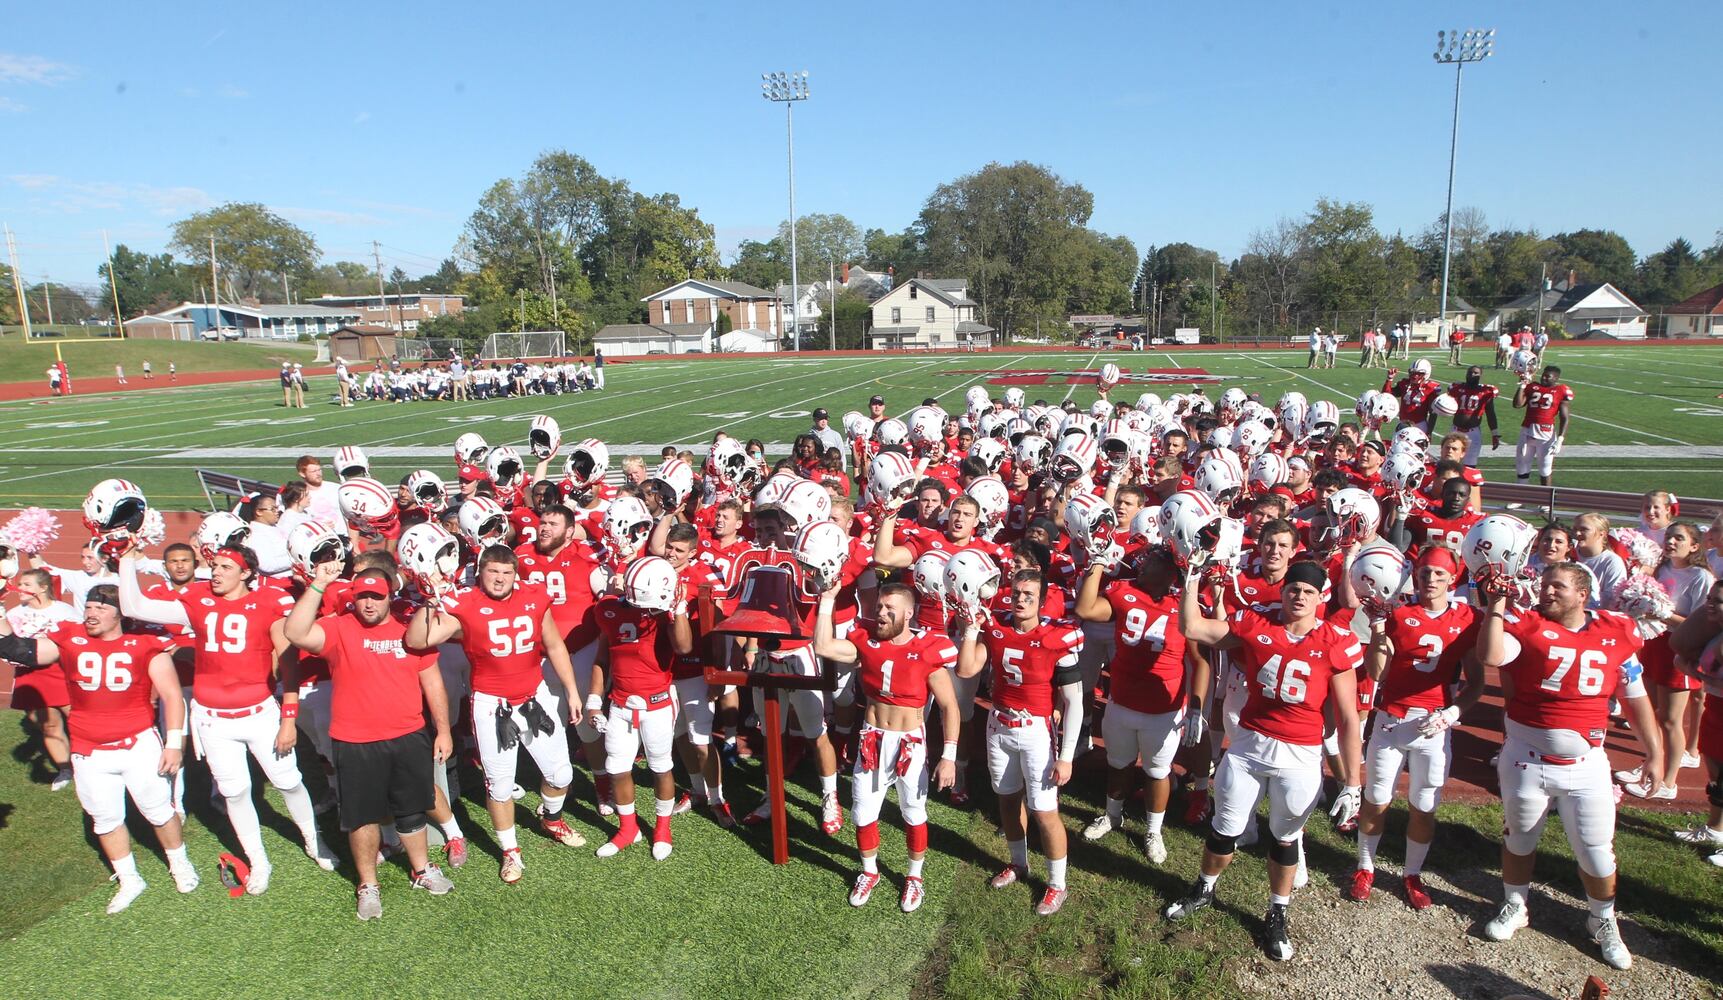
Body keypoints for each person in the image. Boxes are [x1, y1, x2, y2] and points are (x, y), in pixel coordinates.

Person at [1165, 559, 1363, 962]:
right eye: (1294, 589)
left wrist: (1353, 782)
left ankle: (1278, 911)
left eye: (1309, 591)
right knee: (1225, 828)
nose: (1300, 596)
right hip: (1249, 744)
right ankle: (1204, 888)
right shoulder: (1257, 624)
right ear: (1284, 590)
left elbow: (1347, 717)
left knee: (1285, 838)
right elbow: (1193, 628)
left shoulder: (1335, 641)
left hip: (1300, 752)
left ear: (1320, 597)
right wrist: (1191, 579)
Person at [1475, 562, 1662, 970]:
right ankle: (1515, 904)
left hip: (1587, 764)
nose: (1547, 592)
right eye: (1545, 586)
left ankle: (1602, 919)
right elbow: (1490, 654)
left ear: (1583, 594)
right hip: (1526, 759)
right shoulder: (1527, 624)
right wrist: (1494, 607)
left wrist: (1656, 751)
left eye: (1557, 587)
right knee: (1519, 839)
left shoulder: (1616, 632)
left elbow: (1636, 698)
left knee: (1596, 853)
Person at [118, 546, 337, 893]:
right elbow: (134, 606)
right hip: (213, 718)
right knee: (235, 792)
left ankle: (314, 840)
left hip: (259, 712)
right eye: (213, 566)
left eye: (224, 567)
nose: (215, 573)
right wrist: (127, 559)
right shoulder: (197, 597)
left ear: (247, 573)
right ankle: (258, 860)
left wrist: (289, 719)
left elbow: (290, 663)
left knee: (288, 781)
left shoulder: (269, 601)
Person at [0, 585, 199, 913]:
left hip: (137, 744)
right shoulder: (70, 637)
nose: (91, 614)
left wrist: (175, 744)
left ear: (120, 613)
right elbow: (21, 651)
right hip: (88, 749)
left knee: (159, 811)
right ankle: (129, 878)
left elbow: (172, 697)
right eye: (89, 607)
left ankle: (179, 863)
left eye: (100, 609)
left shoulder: (146, 645)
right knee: (105, 818)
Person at [406, 545, 587, 884]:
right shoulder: (464, 603)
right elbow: (417, 640)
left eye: (506, 572)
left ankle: (551, 818)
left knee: (561, 774)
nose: (500, 578)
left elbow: (554, 644)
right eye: (493, 572)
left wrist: (572, 690)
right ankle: (510, 851)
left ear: (515, 574)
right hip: (493, 705)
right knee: (501, 786)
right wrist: (430, 603)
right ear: (481, 572)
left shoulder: (534, 595)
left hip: (536, 698)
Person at [284, 564, 455, 918]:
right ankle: (368, 884)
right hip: (356, 740)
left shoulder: (411, 631)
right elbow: (296, 632)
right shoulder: (339, 629)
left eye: (376, 596)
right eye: (362, 596)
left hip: (408, 735)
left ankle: (421, 869)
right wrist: (318, 585)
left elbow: (432, 682)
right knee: (361, 816)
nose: (369, 603)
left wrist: (443, 729)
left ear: (389, 596)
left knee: (411, 808)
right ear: (354, 597)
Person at [813, 581, 960, 913]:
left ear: (908, 613)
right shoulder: (865, 642)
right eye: (879, 606)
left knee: (913, 813)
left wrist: (948, 755)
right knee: (862, 813)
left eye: (889, 608)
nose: (880, 613)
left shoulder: (928, 648)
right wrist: (826, 601)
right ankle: (869, 871)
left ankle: (914, 876)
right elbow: (822, 645)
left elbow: (951, 706)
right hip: (872, 739)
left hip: (910, 743)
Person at [1349, 547, 1484, 908]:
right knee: (1376, 798)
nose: (1431, 580)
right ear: (1415, 575)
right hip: (1392, 720)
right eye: (1425, 572)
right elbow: (1377, 671)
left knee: (1424, 805)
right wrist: (1378, 629)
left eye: (1439, 574)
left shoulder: (1467, 618)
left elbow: (1478, 681)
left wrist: (1455, 712)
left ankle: (1411, 873)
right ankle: (1365, 867)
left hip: (1434, 725)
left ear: (1452, 578)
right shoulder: (1399, 611)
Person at [958, 569, 1085, 915]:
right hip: (999, 725)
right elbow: (966, 670)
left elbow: (1074, 700)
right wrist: (971, 629)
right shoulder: (995, 629)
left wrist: (1068, 756)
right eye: (1016, 593)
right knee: (1007, 799)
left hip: (1036, 732)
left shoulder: (1058, 636)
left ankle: (1057, 883)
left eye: (1029, 595)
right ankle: (1019, 863)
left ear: (1042, 601)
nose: (1021, 599)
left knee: (1045, 812)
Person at [1075, 546, 1202, 866]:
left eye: (1154, 564)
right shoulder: (1124, 591)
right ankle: (1112, 815)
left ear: (1171, 574)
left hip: (1163, 707)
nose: (1143, 566)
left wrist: (1197, 707)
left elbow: (1200, 663)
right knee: (1118, 763)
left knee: (1157, 771)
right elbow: (1086, 608)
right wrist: (1098, 564)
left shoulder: (1183, 607)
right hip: (1122, 699)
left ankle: (1153, 830)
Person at [4, 568, 82, 790]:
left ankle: (94, 763)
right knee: (48, 726)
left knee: (79, 721)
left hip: (62, 672)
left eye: (27, 584)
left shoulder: (64, 612)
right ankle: (65, 770)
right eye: (20, 583)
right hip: (30, 676)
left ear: (44, 587)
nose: (20, 588)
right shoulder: (14, 614)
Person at [1512, 365, 1573, 487]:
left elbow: (1564, 417)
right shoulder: (1533, 387)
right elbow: (1517, 404)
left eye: (1547, 376)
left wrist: (1560, 439)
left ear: (1555, 378)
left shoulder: (1561, 390)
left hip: (1546, 434)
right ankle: (1520, 498)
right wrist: (1522, 386)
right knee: (1522, 466)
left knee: (1545, 469)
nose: (1544, 378)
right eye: (1543, 375)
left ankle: (1545, 500)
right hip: (1527, 431)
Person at [297, 455, 342, 525]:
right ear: (302, 474)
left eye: (319, 470)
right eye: (314, 471)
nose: (318, 474)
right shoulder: (299, 496)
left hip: (342, 534)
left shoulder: (336, 488)